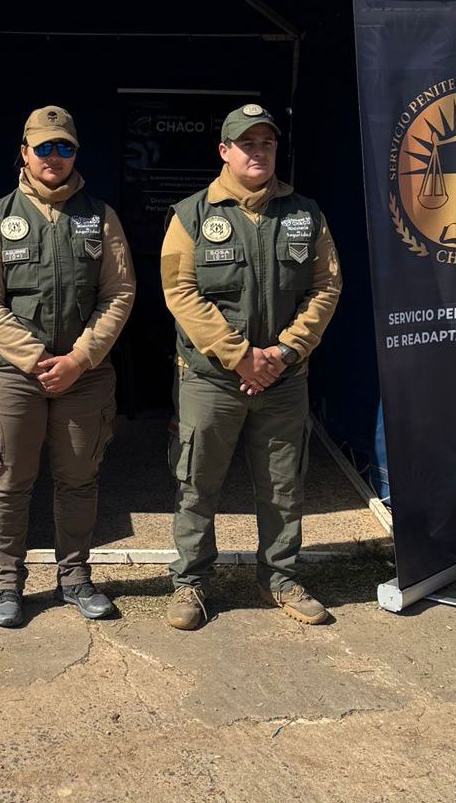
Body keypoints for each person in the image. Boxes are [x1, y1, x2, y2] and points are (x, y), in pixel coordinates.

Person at [159, 103, 341, 630]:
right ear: (224, 151)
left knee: (284, 484)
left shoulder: (307, 214)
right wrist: (241, 356)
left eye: (266, 143)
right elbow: (180, 293)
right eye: (246, 143)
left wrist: (284, 352)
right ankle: (191, 583)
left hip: (284, 378)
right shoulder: (190, 215)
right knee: (197, 483)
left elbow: (326, 286)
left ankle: (279, 577)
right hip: (211, 379)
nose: (257, 151)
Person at [0, 105, 136, 628]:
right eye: (44, 147)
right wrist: (38, 358)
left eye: (64, 148)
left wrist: (81, 358)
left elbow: (120, 291)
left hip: (83, 377)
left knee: (78, 480)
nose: (54, 157)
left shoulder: (101, 216)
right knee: (9, 480)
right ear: (25, 152)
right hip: (12, 374)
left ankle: (75, 579)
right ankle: (7, 584)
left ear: (75, 153)